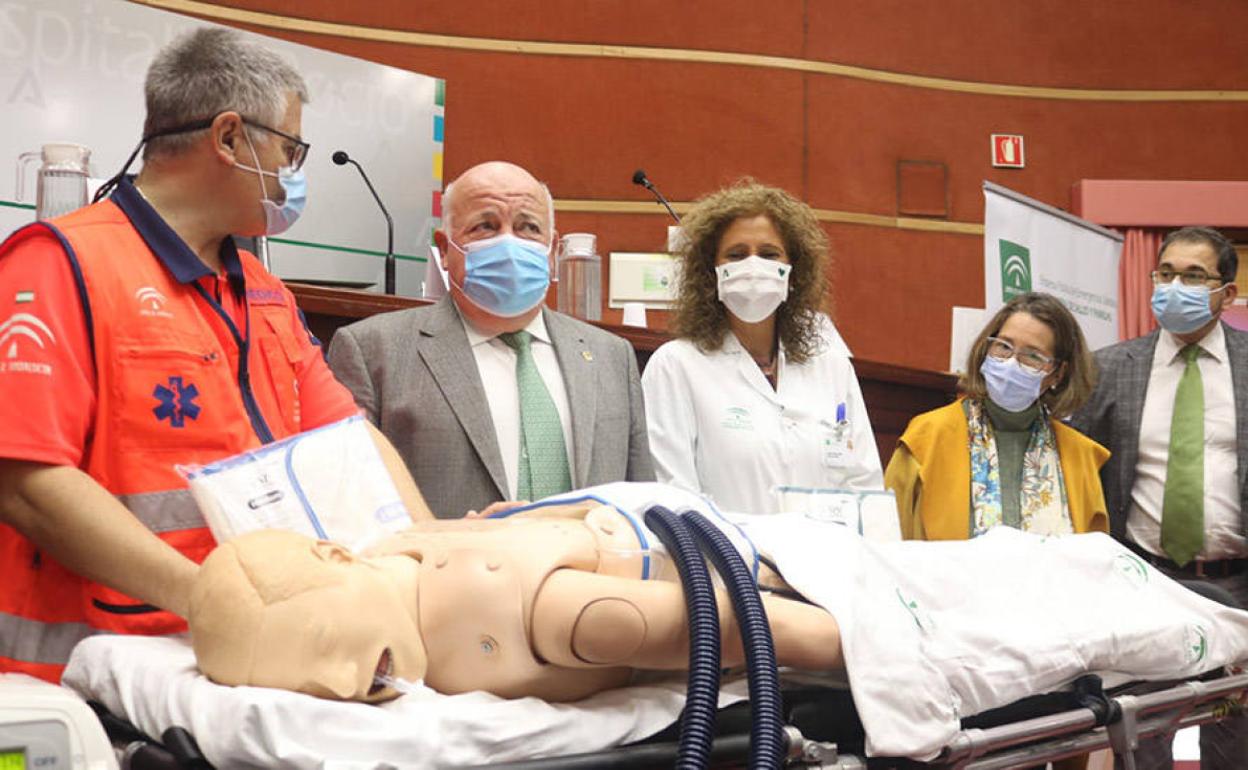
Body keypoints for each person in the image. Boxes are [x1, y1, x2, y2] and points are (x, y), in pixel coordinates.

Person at [0, 27, 430, 683]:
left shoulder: (264, 293)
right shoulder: (59, 263)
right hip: (87, 677)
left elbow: (348, 439)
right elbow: (25, 483)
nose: (293, 174)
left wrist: (428, 548)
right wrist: (212, 599)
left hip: (240, 665)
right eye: (289, 149)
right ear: (229, 138)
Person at [327, 161, 654, 518]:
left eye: (528, 227)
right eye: (485, 226)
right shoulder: (374, 352)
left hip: (593, 571)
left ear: (553, 249)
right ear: (445, 249)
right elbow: (348, 510)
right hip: (443, 571)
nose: (509, 242)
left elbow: (642, 506)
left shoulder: (612, 357)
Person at [1071, 226, 1248, 770]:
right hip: (1146, 582)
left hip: (1237, 582)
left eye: (1194, 276)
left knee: (1235, 744)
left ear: (1228, 293)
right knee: (1141, 741)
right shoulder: (1109, 368)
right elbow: (1081, 471)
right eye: (1165, 273)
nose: (1175, 287)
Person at [640, 180, 880, 515]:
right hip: (728, 563)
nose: (753, 266)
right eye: (737, 255)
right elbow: (674, 498)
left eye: (769, 254)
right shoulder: (675, 367)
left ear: (793, 271)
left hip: (824, 562)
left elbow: (865, 488)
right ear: (713, 272)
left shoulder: (832, 366)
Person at [885, 292, 1108, 540]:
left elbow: (1093, 563)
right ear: (986, 347)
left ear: (1058, 374)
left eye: (1032, 356)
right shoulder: (926, 437)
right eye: (1003, 346)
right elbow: (887, 539)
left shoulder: (1081, 457)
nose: (1011, 362)